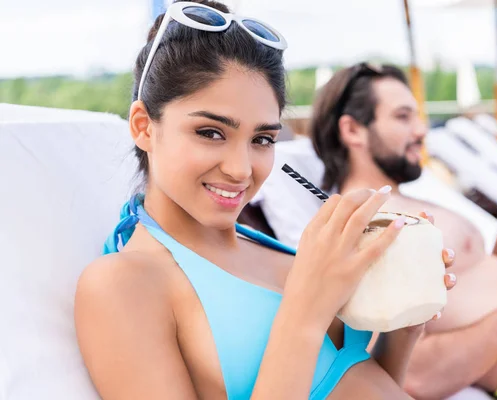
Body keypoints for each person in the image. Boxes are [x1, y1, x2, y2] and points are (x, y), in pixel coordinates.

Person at [73, 2, 454, 399]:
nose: (241, 169)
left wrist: (406, 325)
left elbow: (354, 382)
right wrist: (306, 311)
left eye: (262, 140)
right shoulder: (121, 284)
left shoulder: (275, 251)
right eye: (211, 132)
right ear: (144, 128)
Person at [309, 62, 497, 399]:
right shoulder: (365, 229)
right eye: (403, 117)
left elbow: (466, 293)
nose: (421, 130)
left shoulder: (406, 201)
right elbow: (410, 374)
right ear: (353, 130)